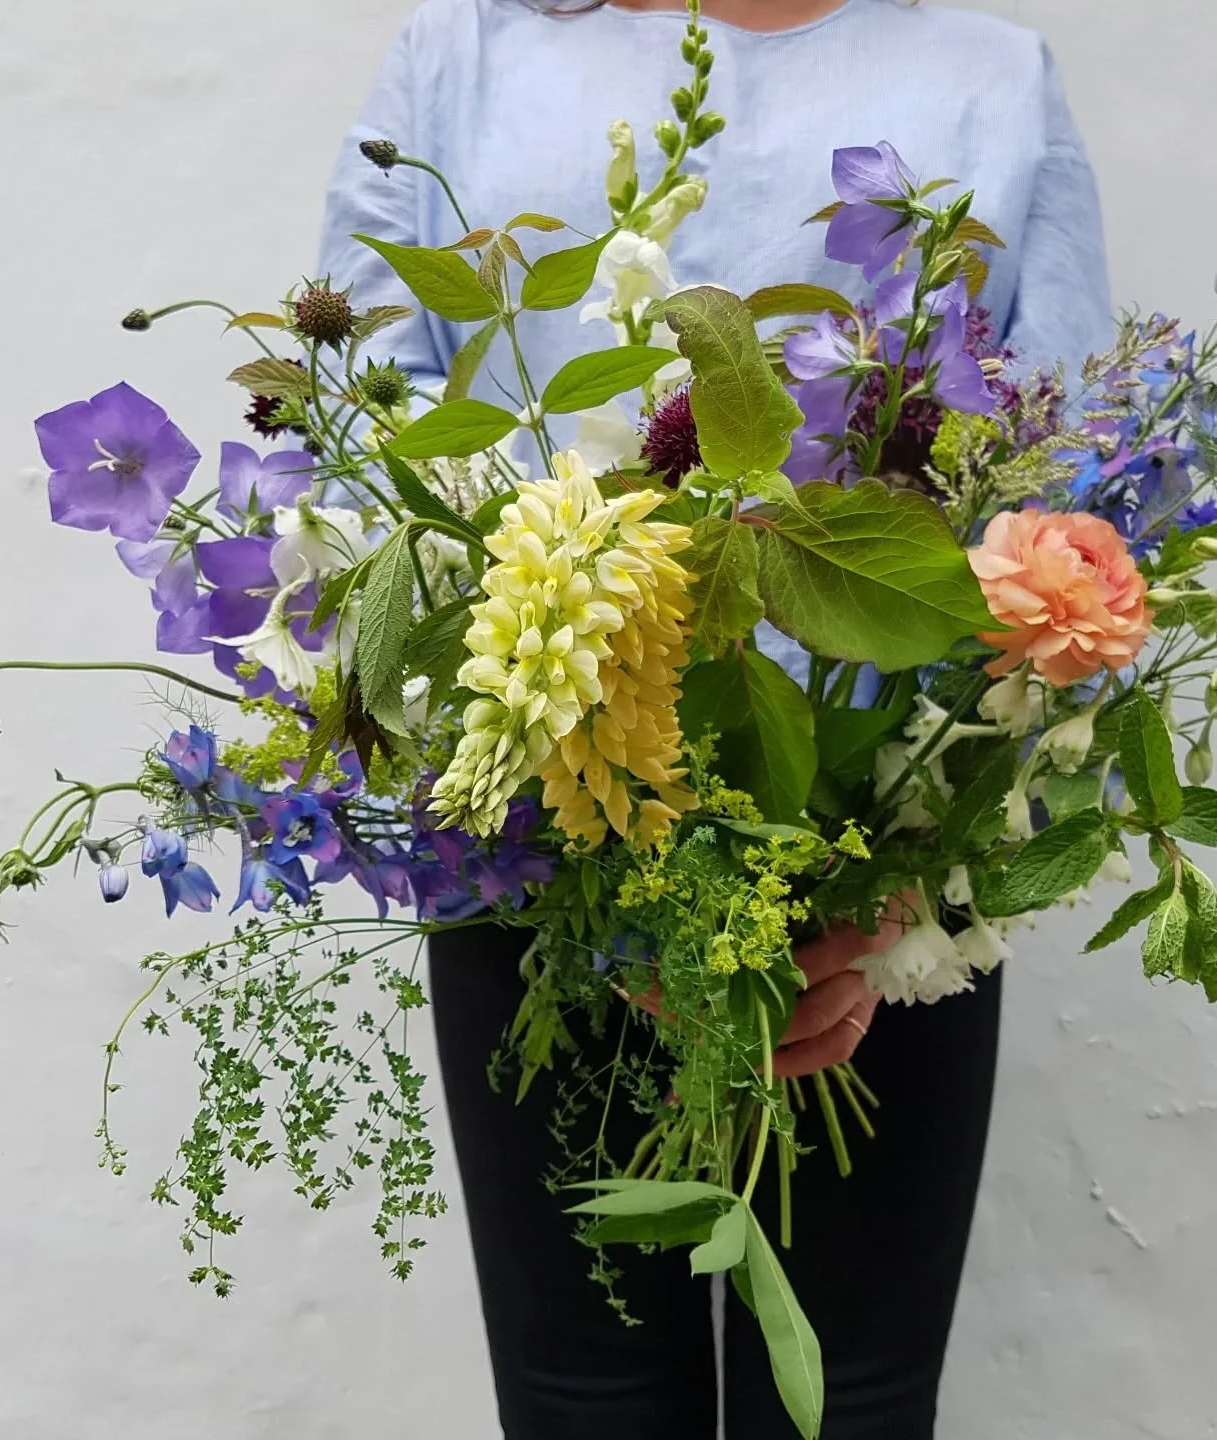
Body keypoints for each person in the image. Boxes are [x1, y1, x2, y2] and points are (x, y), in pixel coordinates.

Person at [318, 2, 1111, 1436]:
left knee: (852, 1407)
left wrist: (892, 890)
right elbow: (371, 444)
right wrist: (596, 865)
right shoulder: (463, 62)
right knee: (583, 1402)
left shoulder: (989, 80)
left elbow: (1063, 492)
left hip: (880, 901)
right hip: (538, 862)